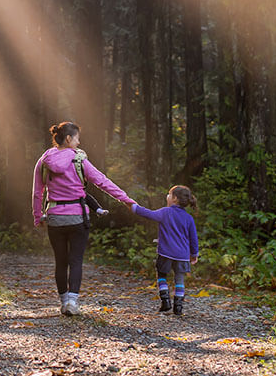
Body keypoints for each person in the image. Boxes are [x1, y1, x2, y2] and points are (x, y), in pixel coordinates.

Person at [32, 122, 135, 316]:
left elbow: (38, 192)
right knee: (76, 260)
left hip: (55, 217)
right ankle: (72, 302)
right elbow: (102, 181)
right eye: (77, 138)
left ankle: (63, 302)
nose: (79, 142)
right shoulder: (79, 160)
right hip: (78, 217)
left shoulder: (44, 160)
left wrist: (38, 217)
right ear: (69, 139)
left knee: (60, 261)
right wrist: (125, 200)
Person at [130, 185, 199, 315]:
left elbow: (148, 214)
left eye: (169, 194)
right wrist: (194, 254)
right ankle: (178, 306)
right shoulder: (189, 218)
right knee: (179, 279)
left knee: (161, 275)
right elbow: (193, 239)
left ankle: (165, 301)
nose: (167, 196)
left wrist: (133, 207)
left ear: (175, 198)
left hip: (165, 253)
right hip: (182, 255)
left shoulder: (165, 212)